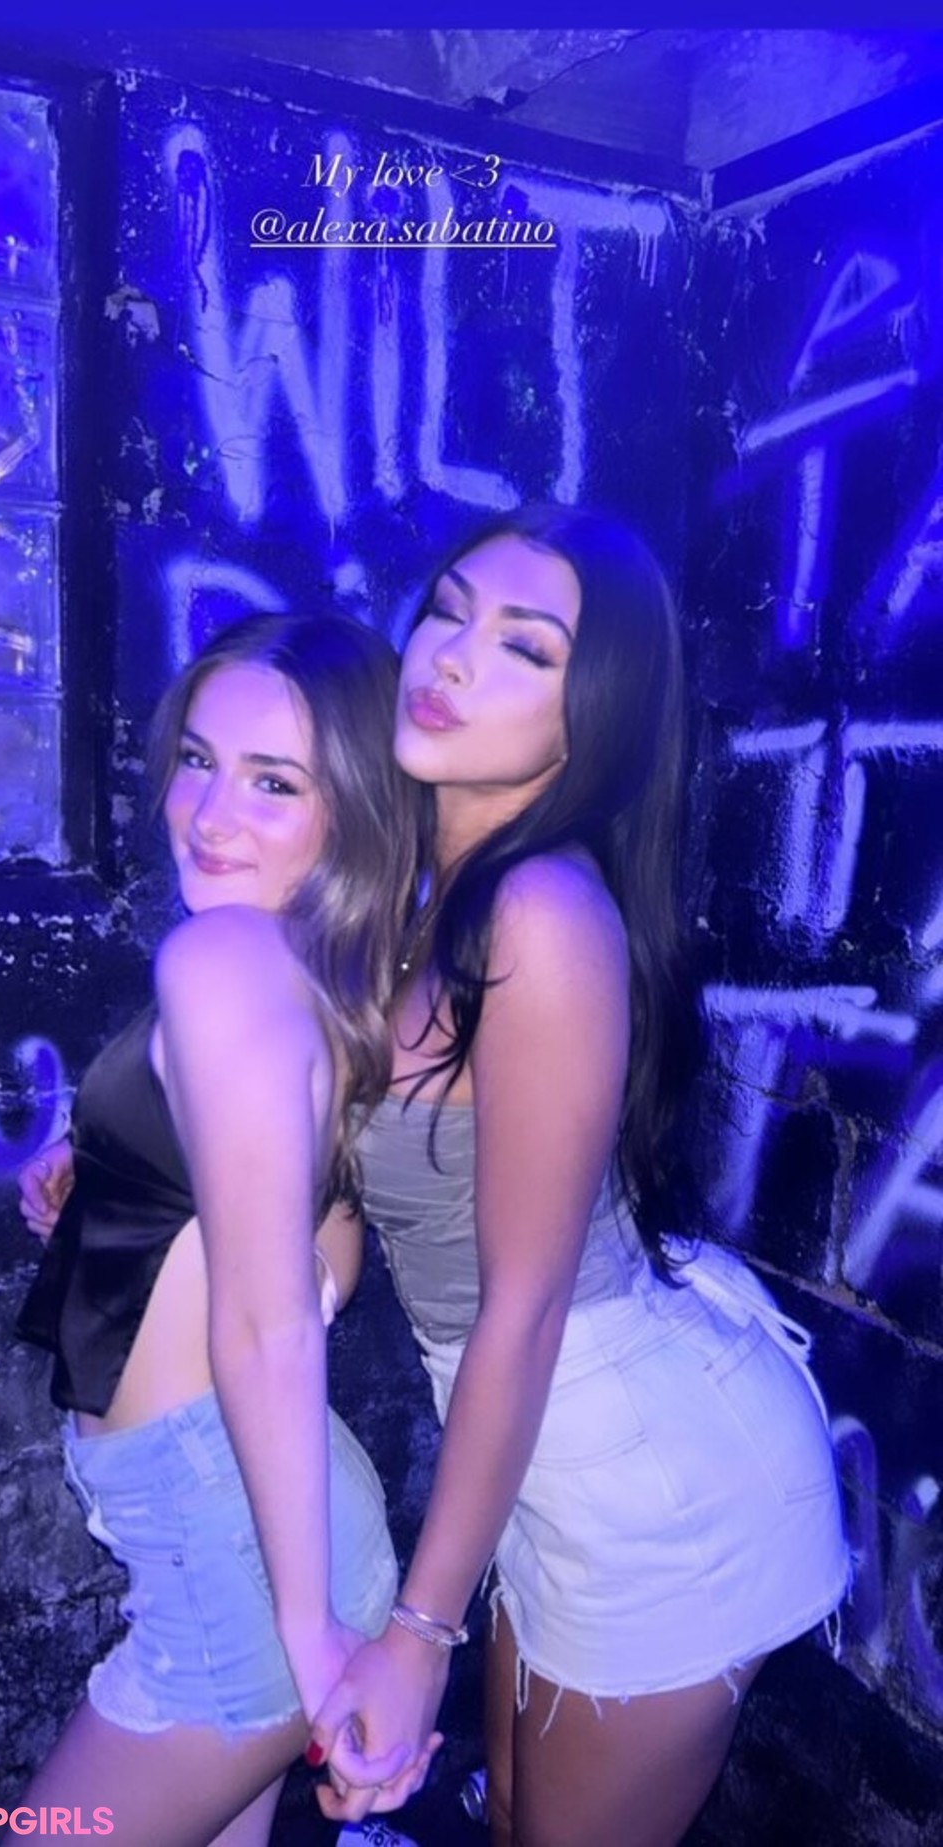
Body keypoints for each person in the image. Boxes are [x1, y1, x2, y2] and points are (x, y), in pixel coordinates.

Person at [310, 504, 851, 1847]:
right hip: (537, 1464)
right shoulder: (410, 903)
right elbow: (340, 1211)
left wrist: (419, 1627)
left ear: (589, 719)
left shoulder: (541, 913)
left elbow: (527, 1305)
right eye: (447, 609)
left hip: (647, 1473)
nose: (450, 654)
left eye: (525, 646)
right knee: (512, 1821)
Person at [10, 609, 425, 1847]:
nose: (207, 813)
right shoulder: (317, 976)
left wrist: (310, 1640)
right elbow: (325, 1260)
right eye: (197, 760)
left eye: (273, 782)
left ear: (355, 812)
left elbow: (272, 1320)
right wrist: (126, 1198)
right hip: (271, 1530)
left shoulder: (223, 957)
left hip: (237, 1570)